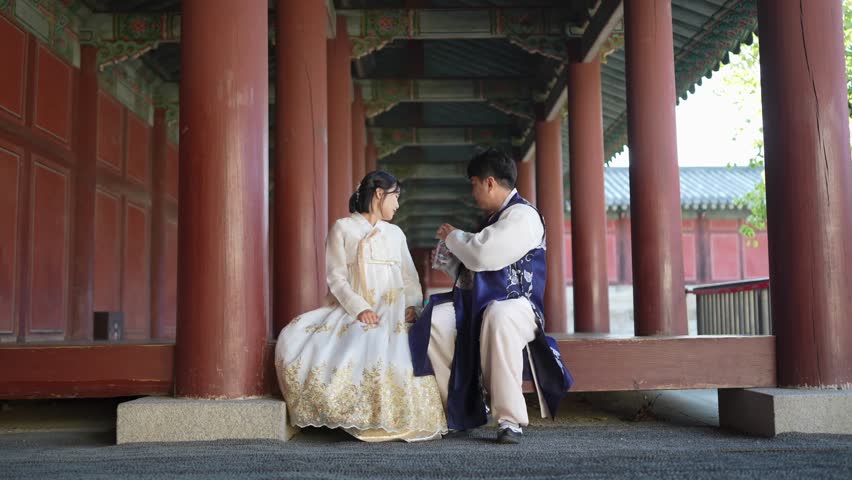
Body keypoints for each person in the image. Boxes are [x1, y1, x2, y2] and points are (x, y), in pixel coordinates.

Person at [409, 148, 573, 444]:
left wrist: (454, 237)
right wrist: (453, 257)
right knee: (436, 319)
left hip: (519, 307)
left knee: (500, 315)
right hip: (482, 304)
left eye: (473, 183)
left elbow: (484, 253)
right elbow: (476, 268)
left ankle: (510, 420)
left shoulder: (523, 215)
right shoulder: (495, 220)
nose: (472, 192)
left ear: (488, 182)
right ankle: (463, 407)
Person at [275, 171, 447, 442]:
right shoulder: (343, 228)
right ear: (380, 194)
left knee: (403, 354)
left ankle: (396, 420)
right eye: (396, 197)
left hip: (394, 311)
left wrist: (413, 305)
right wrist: (359, 308)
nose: (398, 205)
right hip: (357, 309)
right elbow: (336, 277)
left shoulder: (396, 233)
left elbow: (409, 277)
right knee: (303, 340)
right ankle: (358, 419)